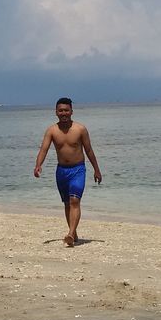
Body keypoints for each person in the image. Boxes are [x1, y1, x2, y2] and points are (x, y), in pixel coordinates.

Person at [33, 97, 102, 247]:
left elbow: (89, 150)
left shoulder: (80, 129)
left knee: (74, 201)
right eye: (60, 110)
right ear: (56, 112)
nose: (64, 113)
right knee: (67, 204)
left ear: (71, 111)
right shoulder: (52, 130)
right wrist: (38, 165)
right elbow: (44, 149)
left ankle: (70, 234)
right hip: (61, 171)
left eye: (66, 110)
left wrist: (96, 170)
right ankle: (73, 230)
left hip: (78, 170)